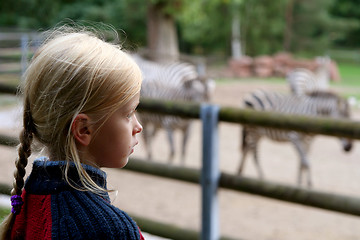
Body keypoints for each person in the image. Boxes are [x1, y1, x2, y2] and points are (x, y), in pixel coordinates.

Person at [0, 24, 145, 239]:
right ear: (84, 129)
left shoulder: (31, 199)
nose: (138, 126)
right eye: (128, 114)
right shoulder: (113, 230)